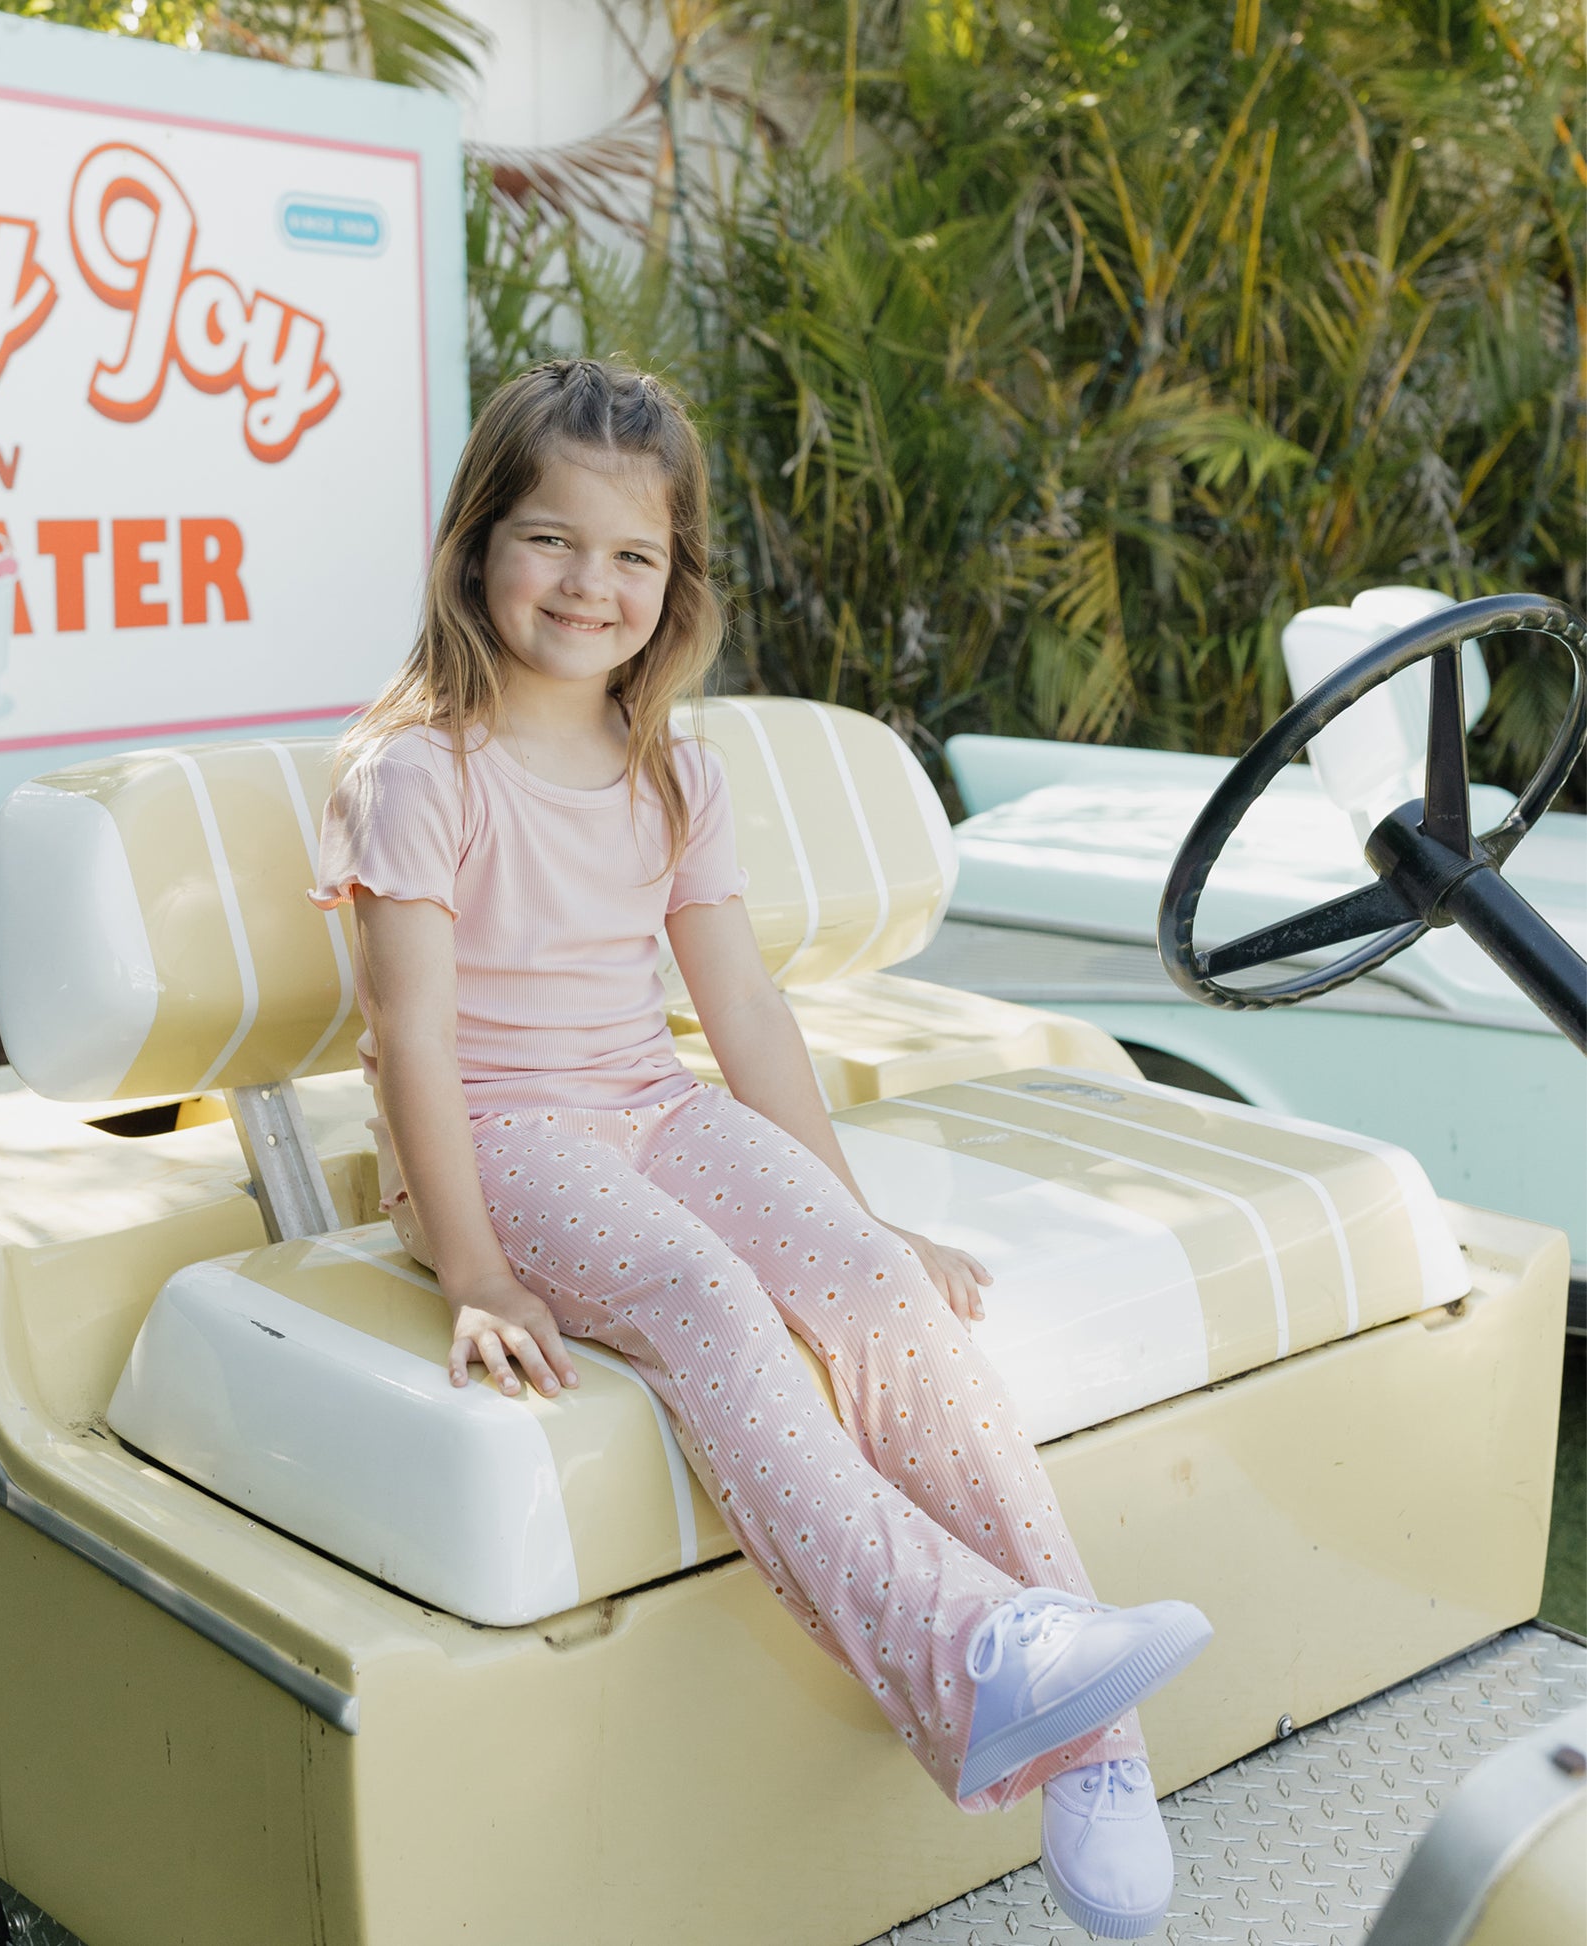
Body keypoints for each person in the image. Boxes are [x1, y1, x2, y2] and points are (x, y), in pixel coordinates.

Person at [308, 358, 1209, 1940]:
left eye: (631, 556)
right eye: (549, 540)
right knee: (711, 1303)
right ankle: (984, 1656)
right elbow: (410, 1043)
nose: (589, 584)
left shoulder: (676, 770)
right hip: (501, 1139)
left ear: (676, 580)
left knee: (869, 1290)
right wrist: (467, 1264)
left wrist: (859, 1219)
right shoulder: (416, 768)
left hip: (646, 1105)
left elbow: (743, 1012)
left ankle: (1094, 1752)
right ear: (474, 548)